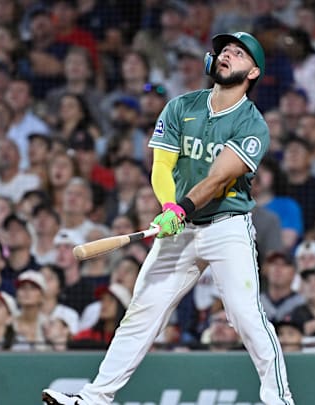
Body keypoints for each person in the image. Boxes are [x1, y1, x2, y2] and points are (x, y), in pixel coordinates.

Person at [42, 32, 294, 405]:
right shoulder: (180, 106)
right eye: (224, 50)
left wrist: (181, 208)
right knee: (141, 312)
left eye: (238, 53)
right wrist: (168, 207)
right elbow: (162, 165)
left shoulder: (252, 124)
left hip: (227, 226)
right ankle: (94, 399)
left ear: (253, 72)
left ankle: (280, 400)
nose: (226, 55)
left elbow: (219, 177)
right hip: (181, 225)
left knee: (245, 315)